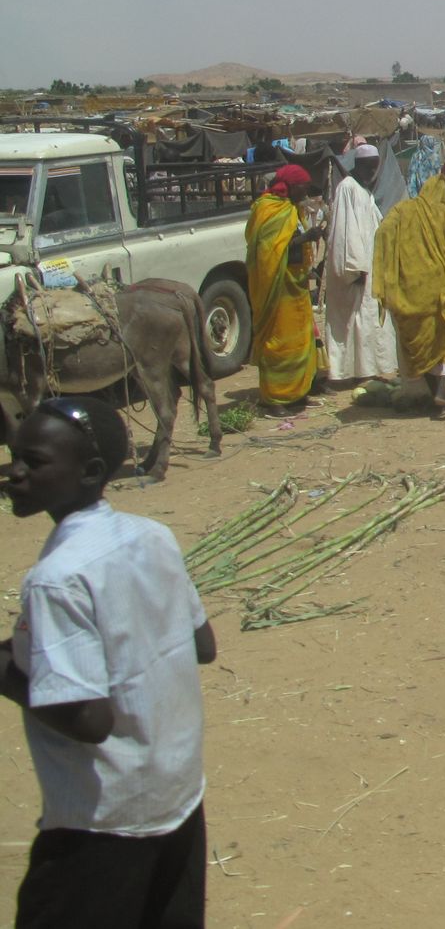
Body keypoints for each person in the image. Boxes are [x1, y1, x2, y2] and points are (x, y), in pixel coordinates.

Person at [2, 396, 219, 928]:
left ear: (91, 472)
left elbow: (89, 719)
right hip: (177, 799)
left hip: (103, 825)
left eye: (33, 461)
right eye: (13, 456)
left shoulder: (57, 578)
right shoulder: (151, 535)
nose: (13, 472)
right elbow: (202, 644)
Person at [373, 153, 445, 414]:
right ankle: (441, 392)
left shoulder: (401, 210)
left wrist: (392, 270)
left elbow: (381, 232)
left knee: (417, 345)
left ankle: (431, 395)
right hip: (436, 294)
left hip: (405, 294)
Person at [245, 163, 319, 411]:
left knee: (299, 341)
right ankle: (275, 397)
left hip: (296, 285)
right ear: (291, 186)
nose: (305, 193)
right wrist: (305, 238)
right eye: (303, 188)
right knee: (279, 342)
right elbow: (270, 251)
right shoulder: (269, 210)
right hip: (277, 288)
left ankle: (297, 391)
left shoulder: (291, 209)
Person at [322, 145, 397, 386]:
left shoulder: (364, 191)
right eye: (369, 166)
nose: (373, 171)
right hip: (355, 271)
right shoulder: (347, 188)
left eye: (376, 166)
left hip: (369, 269)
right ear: (358, 165)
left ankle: (366, 370)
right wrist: (354, 268)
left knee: (368, 321)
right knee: (351, 322)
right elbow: (345, 232)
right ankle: (346, 373)